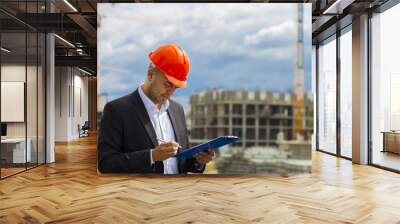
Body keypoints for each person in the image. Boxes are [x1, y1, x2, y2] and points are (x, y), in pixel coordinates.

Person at [98, 43, 215, 174]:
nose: (171, 92)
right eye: (168, 84)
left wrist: (198, 161)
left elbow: (182, 163)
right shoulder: (117, 110)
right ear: (150, 74)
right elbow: (105, 164)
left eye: (176, 87)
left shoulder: (178, 110)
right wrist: (151, 156)